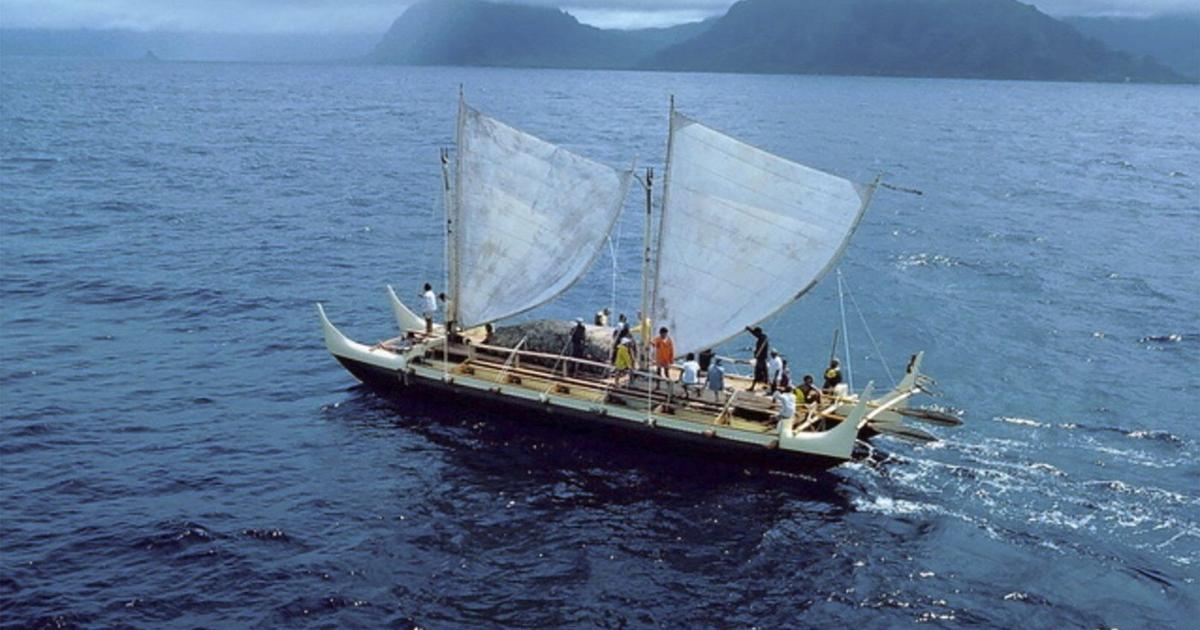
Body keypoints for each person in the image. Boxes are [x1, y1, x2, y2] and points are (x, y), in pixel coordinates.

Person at [745, 326, 769, 392]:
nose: (756, 335)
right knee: (765, 372)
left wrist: (756, 354)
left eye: (756, 333)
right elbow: (755, 334)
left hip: (761, 359)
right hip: (763, 359)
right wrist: (749, 329)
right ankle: (765, 386)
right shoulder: (763, 336)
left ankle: (753, 387)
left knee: (758, 372)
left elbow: (755, 334)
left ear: (758, 332)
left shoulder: (762, 338)